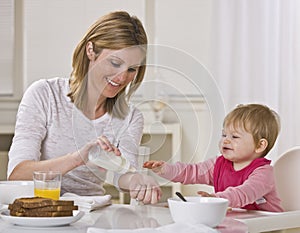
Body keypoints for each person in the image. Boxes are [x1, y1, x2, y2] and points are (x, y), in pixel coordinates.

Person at [8, 11, 161, 204]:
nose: (122, 78)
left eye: (131, 69)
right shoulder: (44, 95)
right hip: (41, 212)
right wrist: (78, 158)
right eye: (115, 63)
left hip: (90, 214)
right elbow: (18, 175)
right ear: (91, 50)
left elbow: (123, 175)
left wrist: (137, 181)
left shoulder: (130, 117)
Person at [144, 104, 284, 211]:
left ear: (260, 145)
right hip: (238, 223)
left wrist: (216, 200)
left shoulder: (264, 173)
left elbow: (243, 193)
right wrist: (165, 169)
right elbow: (192, 172)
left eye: (234, 136)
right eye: (224, 135)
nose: (226, 140)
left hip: (267, 226)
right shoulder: (218, 164)